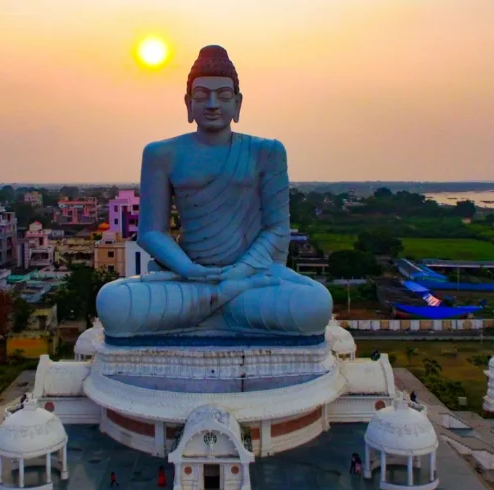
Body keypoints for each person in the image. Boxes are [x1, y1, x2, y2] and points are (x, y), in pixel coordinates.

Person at [95, 45, 333, 342]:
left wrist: (239, 273)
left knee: (314, 304)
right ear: (188, 103)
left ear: (238, 103)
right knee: (113, 302)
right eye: (201, 95)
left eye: (222, 95)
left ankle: (209, 308)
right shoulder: (161, 154)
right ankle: (224, 306)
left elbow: (277, 229)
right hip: (189, 279)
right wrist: (189, 269)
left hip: (249, 277)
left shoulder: (267, 151)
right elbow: (151, 232)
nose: (211, 104)